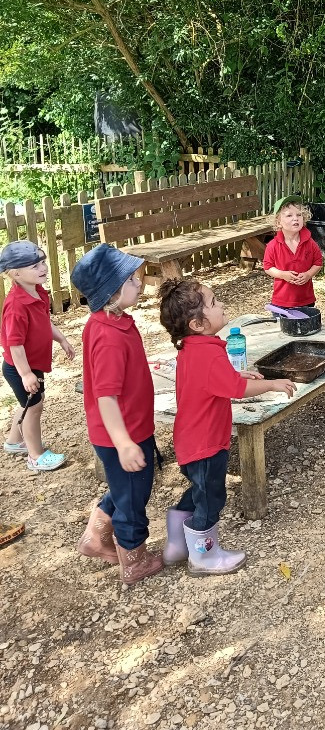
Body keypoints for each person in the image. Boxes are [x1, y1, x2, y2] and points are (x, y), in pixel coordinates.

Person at [158, 278, 295, 576]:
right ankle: (203, 558)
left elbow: (211, 381)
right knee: (211, 499)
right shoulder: (208, 352)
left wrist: (234, 374)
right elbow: (235, 389)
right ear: (197, 323)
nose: (220, 304)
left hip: (190, 440)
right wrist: (272, 383)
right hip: (206, 444)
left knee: (198, 491)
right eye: (214, 302)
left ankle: (176, 545)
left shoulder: (194, 348)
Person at [71, 244, 164, 586]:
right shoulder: (108, 336)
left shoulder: (114, 321)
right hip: (122, 433)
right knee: (133, 501)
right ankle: (134, 563)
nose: (138, 282)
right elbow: (106, 397)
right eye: (129, 278)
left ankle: (96, 538)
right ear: (111, 292)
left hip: (129, 428)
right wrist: (124, 443)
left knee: (125, 488)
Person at [1, 240, 74, 471]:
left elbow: (44, 323)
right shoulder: (16, 306)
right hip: (21, 367)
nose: (43, 268)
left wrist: (61, 339)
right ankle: (35, 455)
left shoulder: (38, 293)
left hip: (32, 365)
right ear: (16, 274)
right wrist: (25, 374)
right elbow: (15, 345)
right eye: (35, 266)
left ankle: (15, 441)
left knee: (27, 403)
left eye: (42, 262)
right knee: (34, 407)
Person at [262, 195, 323, 310]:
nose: (295, 218)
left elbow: (318, 262)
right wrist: (282, 275)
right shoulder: (273, 246)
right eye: (289, 215)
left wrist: (309, 274)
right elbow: (267, 267)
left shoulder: (310, 243)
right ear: (278, 222)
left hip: (306, 299)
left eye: (299, 215)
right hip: (282, 301)